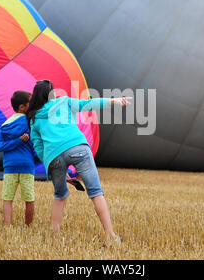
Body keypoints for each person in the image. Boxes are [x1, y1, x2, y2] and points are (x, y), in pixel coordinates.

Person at [27, 80, 131, 244]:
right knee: (96, 192)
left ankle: (53, 239)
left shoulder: (34, 119)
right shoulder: (64, 102)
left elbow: (38, 146)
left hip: (54, 157)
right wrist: (113, 101)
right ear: (52, 94)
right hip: (78, 147)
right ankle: (111, 236)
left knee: (60, 196)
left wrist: (52, 167)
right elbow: (88, 104)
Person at [0, 91, 36, 226]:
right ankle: (28, 226)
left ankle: (7, 225)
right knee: (29, 199)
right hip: (27, 166)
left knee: (7, 198)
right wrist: (21, 141)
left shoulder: (6, 125)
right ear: (22, 107)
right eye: (31, 102)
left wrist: (16, 141)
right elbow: (35, 145)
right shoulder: (30, 124)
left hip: (10, 166)